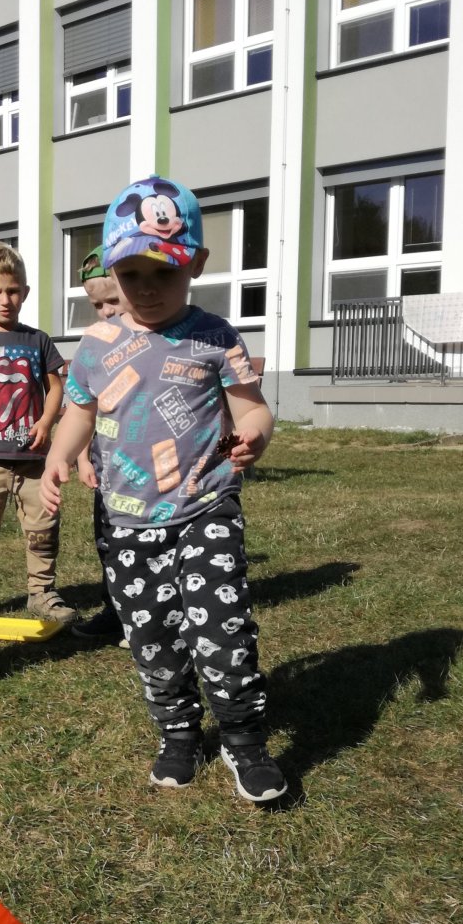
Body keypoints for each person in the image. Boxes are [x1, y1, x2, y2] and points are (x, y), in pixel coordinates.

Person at [41, 174, 286, 804]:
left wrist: (255, 435)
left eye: (164, 273)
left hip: (206, 506)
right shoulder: (96, 345)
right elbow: (79, 411)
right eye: (131, 275)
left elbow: (253, 407)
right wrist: (59, 458)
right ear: (110, 272)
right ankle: (178, 735)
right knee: (153, 639)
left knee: (223, 630)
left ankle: (244, 739)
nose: (147, 288)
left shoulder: (215, 336)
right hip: (126, 520)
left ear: (196, 264)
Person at [0, 242, 75, 629]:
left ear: (25, 292)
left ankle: (42, 591)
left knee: (43, 527)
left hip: (35, 460)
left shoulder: (38, 340)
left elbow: (56, 387)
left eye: (13, 291)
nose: (5, 300)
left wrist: (47, 422)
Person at [71, 249, 131, 646]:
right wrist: (80, 457)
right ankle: (115, 608)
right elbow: (82, 407)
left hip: (146, 469)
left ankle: (147, 614)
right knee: (107, 539)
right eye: (97, 305)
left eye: (112, 300)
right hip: (106, 464)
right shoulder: (94, 345)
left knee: (141, 543)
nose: (107, 310)